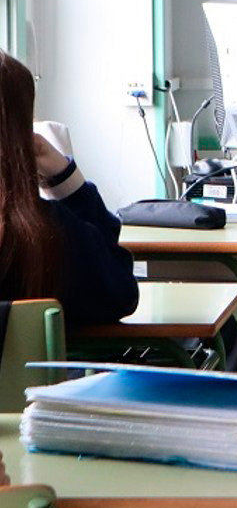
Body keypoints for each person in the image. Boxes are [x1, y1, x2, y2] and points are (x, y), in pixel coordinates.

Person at [0, 51, 139, 324]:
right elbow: (121, 290)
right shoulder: (48, 235)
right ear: (24, 134)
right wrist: (67, 180)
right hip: (32, 369)